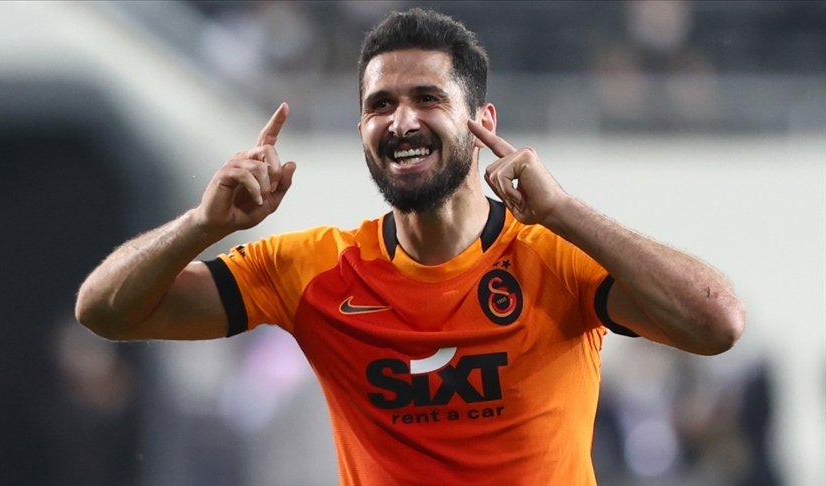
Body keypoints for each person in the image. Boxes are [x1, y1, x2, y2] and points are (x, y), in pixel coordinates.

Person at [75, 8, 745, 485]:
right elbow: (105, 311)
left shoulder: (554, 256)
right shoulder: (310, 269)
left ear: (482, 122)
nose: (401, 120)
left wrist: (565, 212)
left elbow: (717, 322)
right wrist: (201, 224)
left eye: (427, 97)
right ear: (362, 129)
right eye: (380, 104)